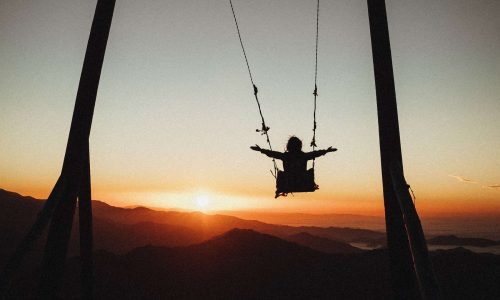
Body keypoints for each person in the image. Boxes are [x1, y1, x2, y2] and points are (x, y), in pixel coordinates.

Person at [251, 136, 337, 197]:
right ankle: (309, 184)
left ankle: (279, 189)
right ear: (300, 146)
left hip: (288, 183)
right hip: (303, 183)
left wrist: (260, 150)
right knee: (310, 171)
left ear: (288, 146)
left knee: (280, 173)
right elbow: (316, 153)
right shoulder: (304, 156)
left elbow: (272, 153)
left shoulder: (285, 156)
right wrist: (326, 151)